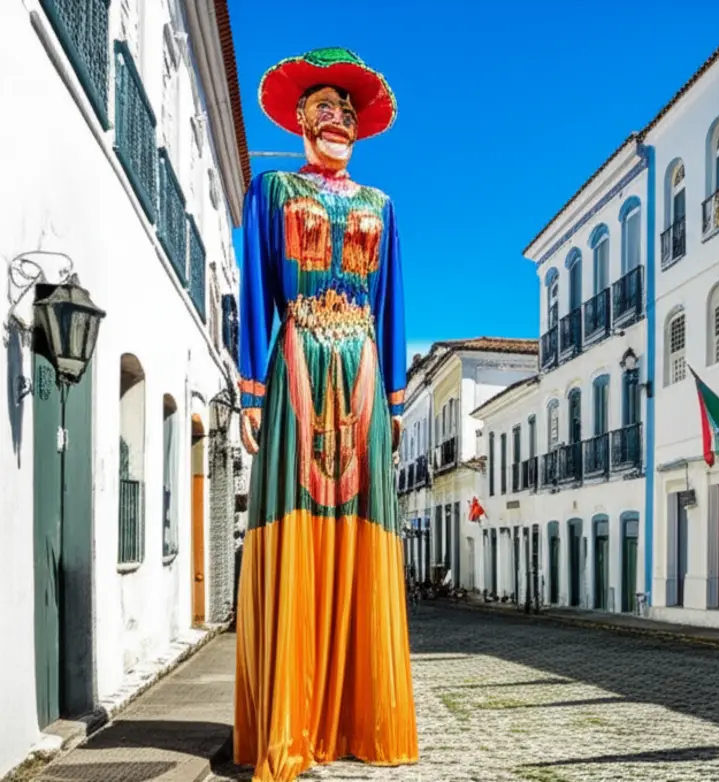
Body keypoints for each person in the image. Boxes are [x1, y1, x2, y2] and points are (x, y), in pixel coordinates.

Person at [234, 48, 418, 782]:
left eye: (345, 111)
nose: (336, 119)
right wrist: (251, 389)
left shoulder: (382, 206)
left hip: (362, 369)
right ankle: (293, 723)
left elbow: (393, 301)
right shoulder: (272, 189)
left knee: (361, 528)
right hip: (298, 361)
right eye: (322, 109)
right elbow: (255, 287)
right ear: (301, 121)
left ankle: (356, 719)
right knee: (297, 522)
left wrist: (397, 396)